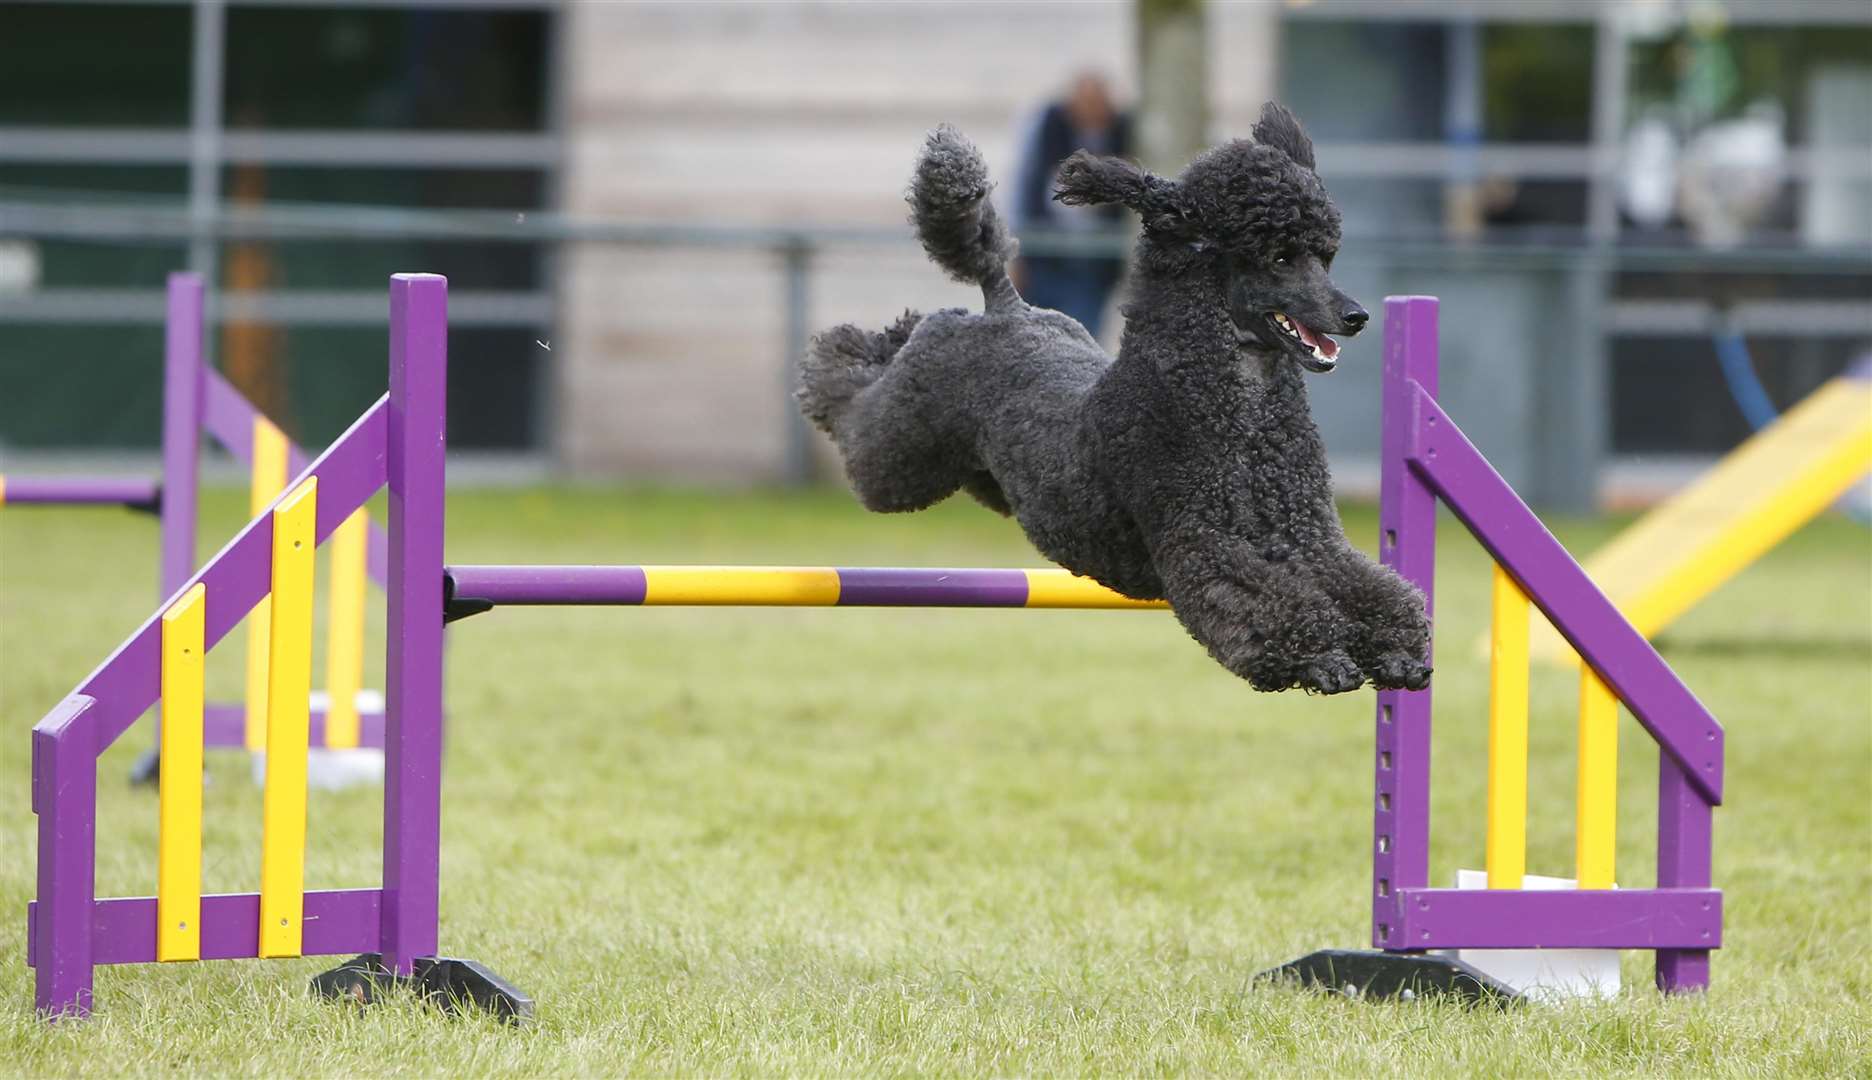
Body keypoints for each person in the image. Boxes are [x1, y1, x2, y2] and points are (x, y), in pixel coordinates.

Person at [1008, 72, 1132, 337]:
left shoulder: (1122, 135)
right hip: (1046, 260)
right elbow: (1023, 191)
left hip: (1091, 267)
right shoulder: (1048, 131)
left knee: (1081, 336)